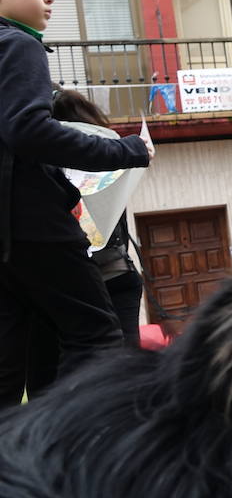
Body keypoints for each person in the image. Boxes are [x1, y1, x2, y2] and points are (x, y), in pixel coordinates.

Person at [0, 0, 153, 407]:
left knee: (9, 362)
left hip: (8, 241)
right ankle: (84, 449)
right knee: (97, 336)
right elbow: (28, 130)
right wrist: (127, 150)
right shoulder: (18, 44)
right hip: (38, 227)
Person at [50, 87, 145, 346]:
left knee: (84, 362)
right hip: (119, 271)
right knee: (126, 362)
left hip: (78, 280)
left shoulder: (51, 153)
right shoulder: (109, 147)